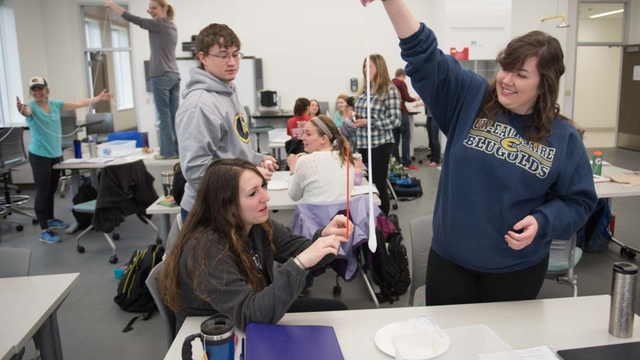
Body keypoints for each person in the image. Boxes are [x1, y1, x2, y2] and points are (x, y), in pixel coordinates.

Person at [361, 0, 597, 305]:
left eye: (521, 75)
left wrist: (543, 221)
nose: (506, 80)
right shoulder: (471, 98)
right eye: (505, 68)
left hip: (516, 270)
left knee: (499, 350)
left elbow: (579, 202)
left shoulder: (563, 137)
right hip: (451, 264)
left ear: (544, 84)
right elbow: (423, 54)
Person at [158, 158, 351, 331]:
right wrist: (299, 264)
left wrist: (326, 236)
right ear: (226, 205)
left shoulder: (258, 225)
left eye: (263, 187)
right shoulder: (206, 247)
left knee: (337, 310)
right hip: (215, 331)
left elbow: (307, 253)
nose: (265, 197)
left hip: (254, 310)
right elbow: (250, 316)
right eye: (252, 193)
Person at [175, 23, 277, 222]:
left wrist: (256, 159)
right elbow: (196, 171)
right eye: (223, 55)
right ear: (203, 57)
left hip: (232, 203)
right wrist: (250, 176)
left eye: (236, 54)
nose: (232, 62)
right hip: (209, 211)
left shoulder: (228, 91)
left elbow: (230, 148)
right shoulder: (199, 105)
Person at [16, 76, 113, 244]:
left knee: (52, 189)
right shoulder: (31, 107)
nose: (37, 92)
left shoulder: (54, 105)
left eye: (40, 88)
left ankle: (51, 218)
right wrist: (21, 109)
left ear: (46, 89)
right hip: (39, 155)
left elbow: (77, 104)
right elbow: (26, 111)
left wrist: (97, 99)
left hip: (54, 153)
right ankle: (44, 231)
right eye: (34, 90)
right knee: (42, 191)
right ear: (31, 93)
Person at [105, 0, 180, 160]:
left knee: (164, 117)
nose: (151, 11)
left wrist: (112, 5)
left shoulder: (158, 25)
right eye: (149, 9)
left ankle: (168, 152)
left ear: (164, 8)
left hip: (161, 74)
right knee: (174, 116)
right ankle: (179, 150)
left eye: (154, 8)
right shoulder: (172, 26)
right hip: (174, 74)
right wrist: (153, 13)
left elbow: (134, 19)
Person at [352, 54, 401, 216]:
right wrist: (353, 116)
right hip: (362, 144)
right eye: (364, 66)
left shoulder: (389, 91)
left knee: (378, 183)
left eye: (369, 66)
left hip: (380, 145)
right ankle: (367, 218)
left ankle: (383, 224)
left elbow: (395, 120)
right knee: (364, 184)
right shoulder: (363, 91)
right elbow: (362, 116)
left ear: (379, 69)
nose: (365, 69)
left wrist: (369, 122)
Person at [287, 115, 355, 203]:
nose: (302, 137)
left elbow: (294, 196)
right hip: (341, 216)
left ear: (323, 138)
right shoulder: (346, 159)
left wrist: (293, 168)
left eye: (308, 134)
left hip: (313, 216)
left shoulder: (304, 161)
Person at [392, 68, 420, 170]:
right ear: (403, 76)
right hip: (402, 114)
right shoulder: (401, 83)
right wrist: (415, 99)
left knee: (395, 140)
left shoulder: (390, 83)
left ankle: (395, 162)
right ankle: (406, 163)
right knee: (406, 138)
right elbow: (406, 97)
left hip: (393, 115)